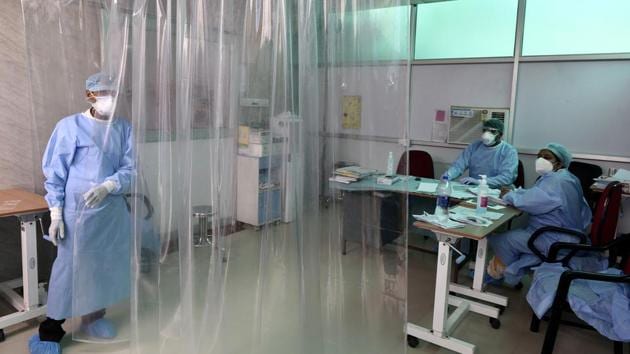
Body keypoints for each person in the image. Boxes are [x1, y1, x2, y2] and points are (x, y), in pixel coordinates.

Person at [29, 73, 134, 354]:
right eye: (103, 93)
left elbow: (131, 169)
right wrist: (55, 213)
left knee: (102, 267)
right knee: (69, 269)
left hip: (109, 213)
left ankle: (92, 318)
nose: (109, 98)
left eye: (113, 93)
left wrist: (109, 185)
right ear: (90, 95)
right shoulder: (69, 127)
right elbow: (55, 173)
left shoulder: (123, 128)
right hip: (77, 214)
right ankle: (50, 331)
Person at [486, 143, 592, 285]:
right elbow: (536, 195)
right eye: (539, 156)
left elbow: (531, 202)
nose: (541, 160)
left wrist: (509, 196)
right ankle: (503, 270)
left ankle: (502, 276)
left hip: (555, 237)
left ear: (559, 163)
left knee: (505, 239)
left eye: (547, 157)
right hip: (568, 234)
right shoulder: (567, 178)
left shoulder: (556, 181)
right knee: (517, 236)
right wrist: (516, 193)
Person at [444, 118, 518, 189]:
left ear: (500, 135)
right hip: (474, 189)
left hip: (498, 192)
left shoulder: (509, 151)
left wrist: (480, 182)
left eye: (492, 131)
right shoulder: (474, 146)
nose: (487, 134)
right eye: (485, 130)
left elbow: (507, 177)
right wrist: (448, 175)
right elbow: (459, 165)